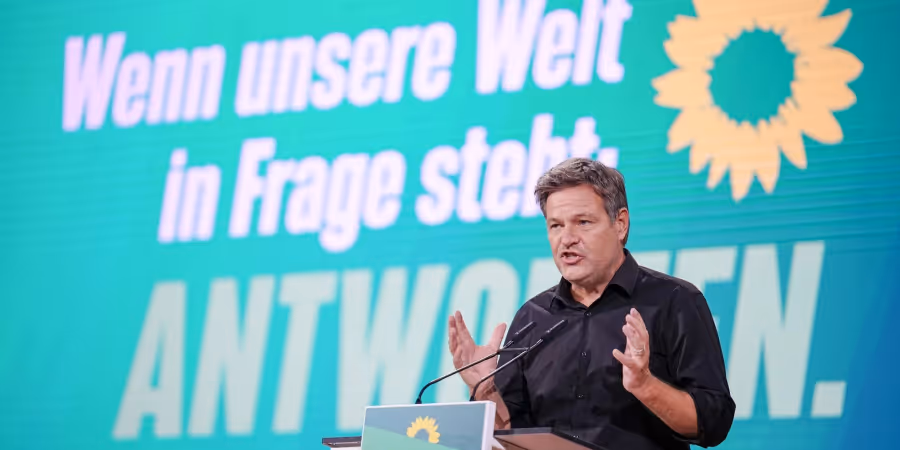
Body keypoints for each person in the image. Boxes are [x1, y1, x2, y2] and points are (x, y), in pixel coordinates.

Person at [447, 158, 735, 449]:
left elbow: (714, 422)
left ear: (620, 224)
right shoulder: (532, 317)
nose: (567, 239)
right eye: (555, 225)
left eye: (583, 222)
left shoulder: (674, 301)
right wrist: (484, 389)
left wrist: (645, 385)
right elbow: (512, 435)